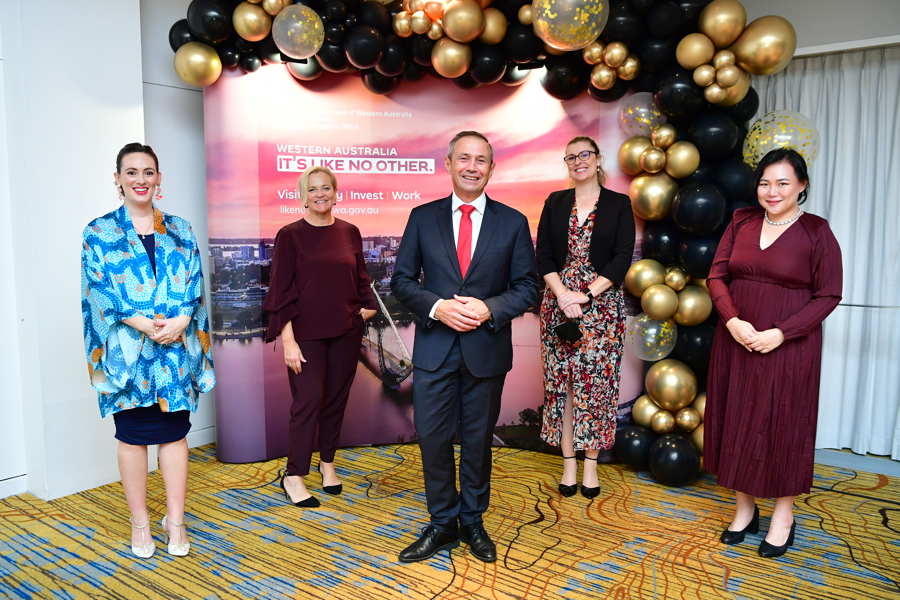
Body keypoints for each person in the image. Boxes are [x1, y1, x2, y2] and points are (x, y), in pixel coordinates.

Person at [391, 131, 538, 563]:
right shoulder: (422, 217)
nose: (472, 166)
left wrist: (489, 308)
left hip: (486, 349)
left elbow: (527, 287)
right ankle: (442, 524)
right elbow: (401, 281)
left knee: (476, 442)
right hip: (435, 349)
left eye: (481, 160)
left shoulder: (512, 222)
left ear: (491, 169)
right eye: (464, 158)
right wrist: (437, 307)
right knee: (433, 439)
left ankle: (473, 521)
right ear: (449, 163)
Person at [704, 148, 842, 558]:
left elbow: (829, 294)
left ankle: (784, 515)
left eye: (783, 182)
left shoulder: (817, 231)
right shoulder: (741, 221)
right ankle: (745, 510)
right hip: (738, 338)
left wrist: (782, 333)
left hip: (789, 346)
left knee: (784, 426)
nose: (772, 191)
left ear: (801, 185)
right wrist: (732, 321)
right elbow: (716, 275)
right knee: (739, 422)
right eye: (765, 182)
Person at [81, 143, 216, 559]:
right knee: (133, 435)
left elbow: (194, 283)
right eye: (132, 172)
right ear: (117, 178)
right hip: (128, 354)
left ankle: (175, 520)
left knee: (175, 435)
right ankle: (140, 521)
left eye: (149, 172)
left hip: (175, 350)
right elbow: (98, 289)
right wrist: (140, 322)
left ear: (160, 178)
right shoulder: (98, 232)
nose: (141, 179)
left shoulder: (180, 229)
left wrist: (180, 321)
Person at [263, 166, 378, 508]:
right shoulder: (290, 235)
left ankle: (327, 464)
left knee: (335, 401)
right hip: (306, 336)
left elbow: (361, 278)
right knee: (307, 402)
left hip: (345, 332)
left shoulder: (349, 232)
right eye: (313, 189)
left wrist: (367, 307)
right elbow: (280, 292)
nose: (320, 194)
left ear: (335, 191)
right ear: (303, 195)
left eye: (326, 188)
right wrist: (288, 342)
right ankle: (294, 475)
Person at [535, 136, 635, 499]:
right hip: (558, 305)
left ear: (597, 159)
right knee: (563, 388)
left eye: (585, 155)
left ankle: (591, 466)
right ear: (566, 163)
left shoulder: (619, 204)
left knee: (597, 390)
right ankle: (567, 465)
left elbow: (622, 257)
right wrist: (563, 294)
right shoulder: (555, 202)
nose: (578, 161)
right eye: (571, 157)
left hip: (602, 307)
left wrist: (587, 293)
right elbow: (543, 254)